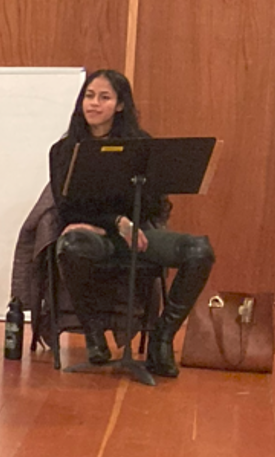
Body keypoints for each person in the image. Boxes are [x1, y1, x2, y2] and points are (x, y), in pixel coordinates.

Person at [49, 69, 215, 378]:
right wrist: (115, 222)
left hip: (138, 235)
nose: (94, 104)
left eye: (104, 97)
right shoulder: (63, 151)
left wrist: (130, 221)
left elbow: (155, 204)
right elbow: (67, 207)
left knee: (199, 250)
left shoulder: (141, 145)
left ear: (120, 105)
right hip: (95, 237)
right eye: (89, 95)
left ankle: (162, 339)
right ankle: (95, 337)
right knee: (71, 245)